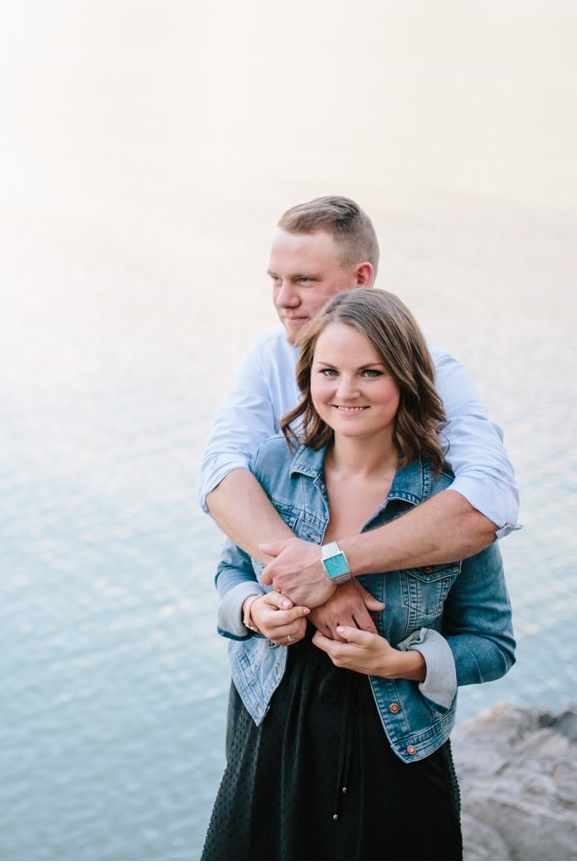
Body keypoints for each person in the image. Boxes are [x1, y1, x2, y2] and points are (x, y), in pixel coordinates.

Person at [200, 288, 515, 859]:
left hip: (394, 749)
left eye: (370, 372)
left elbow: (494, 644)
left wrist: (399, 663)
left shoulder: (444, 502)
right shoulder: (271, 466)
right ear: (307, 376)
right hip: (271, 732)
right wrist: (253, 610)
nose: (345, 392)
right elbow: (229, 577)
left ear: (407, 379)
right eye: (329, 371)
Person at [198, 196, 518, 642]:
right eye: (275, 280)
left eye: (304, 280)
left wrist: (333, 564)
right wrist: (312, 584)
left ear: (361, 279)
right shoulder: (267, 356)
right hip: (269, 679)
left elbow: (489, 500)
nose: (283, 300)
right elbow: (220, 476)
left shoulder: (436, 372)